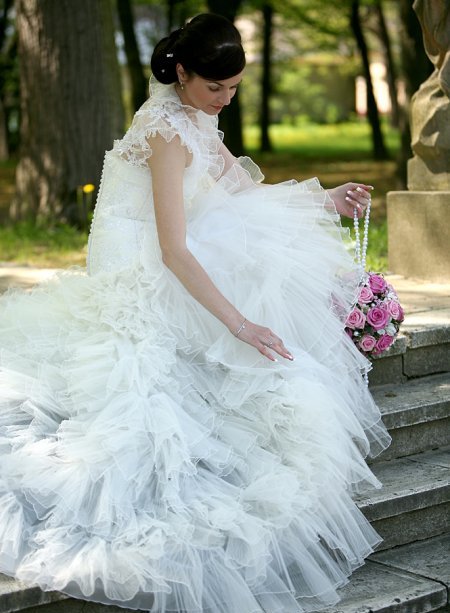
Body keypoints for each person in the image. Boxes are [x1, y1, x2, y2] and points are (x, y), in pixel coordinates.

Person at [0, 12, 391, 613]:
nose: (224, 100)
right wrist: (238, 323)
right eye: (215, 87)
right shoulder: (164, 129)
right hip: (136, 273)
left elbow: (243, 190)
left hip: (169, 259)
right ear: (181, 72)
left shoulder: (198, 119)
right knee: (162, 394)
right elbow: (173, 250)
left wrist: (325, 197)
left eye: (233, 88)